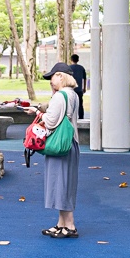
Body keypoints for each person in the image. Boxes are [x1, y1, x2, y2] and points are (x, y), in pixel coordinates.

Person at [30, 62, 81, 239]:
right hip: (70, 143)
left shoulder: (60, 96)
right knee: (64, 184)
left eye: (52, 77)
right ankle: (62, 223)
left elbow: (51, 121)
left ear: (60, 76)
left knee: (61, 184)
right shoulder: (73, 94)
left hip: (59, 145)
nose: (50, 81)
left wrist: (39, 114)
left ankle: (70, 225)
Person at [69, 54, 87, 120]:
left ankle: (70, 116)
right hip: (79, 89)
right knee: (80, 104)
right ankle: (81, 117)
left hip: (71, 89)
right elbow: (84, 78)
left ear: (71, 60)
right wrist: (84, 87)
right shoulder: (81, 68)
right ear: (78, 60)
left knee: (70, 103)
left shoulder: (69, 68)